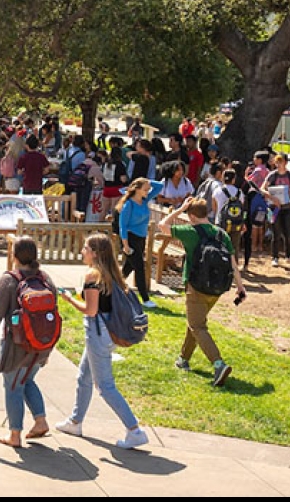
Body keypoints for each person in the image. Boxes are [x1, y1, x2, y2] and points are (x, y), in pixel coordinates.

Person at [55, 233, 150, 449]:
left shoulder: (92, 275)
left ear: (95, 253)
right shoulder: (112, 274)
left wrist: (69, 299)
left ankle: (134, 430)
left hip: (98, 333)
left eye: (85, 248)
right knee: (84, 377)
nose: (82, 251)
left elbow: (91, 310)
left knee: (105, 386)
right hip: (109, 332)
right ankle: (75, 422)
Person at [0, 236, 54, 447]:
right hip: (41, 344)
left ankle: (14, 434)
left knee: (13, 386)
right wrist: (48, 349)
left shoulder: (9, 280)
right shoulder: (45, 278)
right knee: (27, 380)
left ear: (14, 256)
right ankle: (40, 421)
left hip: (16, 344)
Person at [158, 197, 245, 386]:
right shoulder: (222, 234)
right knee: (195, 322)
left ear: (191, 216)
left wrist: (179, 208)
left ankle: (218, 364)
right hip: (217, 288)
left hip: (196, 286)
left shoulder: (190, 231)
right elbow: (233, 264)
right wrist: (240, 287)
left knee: (198, 326)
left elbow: (162, 225)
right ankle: (183, 359)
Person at [116, 177, 164, 308]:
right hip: (129, 239)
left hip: (141, 239)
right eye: (145, 189)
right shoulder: (128, 205)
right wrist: (125, 245)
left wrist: (147, 180)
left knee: (128, 267)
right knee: (139, 267)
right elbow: (123, 226)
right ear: (136, 189)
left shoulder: (144, 200)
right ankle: (145, 298)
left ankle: (113, 286)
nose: (148, 191)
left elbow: (159, 186)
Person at [263, 153, 290, 268]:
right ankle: (275, 256)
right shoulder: (272, 175)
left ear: (285, 162)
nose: (278, 164)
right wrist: (272, 197)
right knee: (276, 233)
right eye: (277, 162)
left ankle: (289, 255)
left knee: (289, 232)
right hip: (274, 208)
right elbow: (263, 188)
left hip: (287, 207)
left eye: (281, 162)